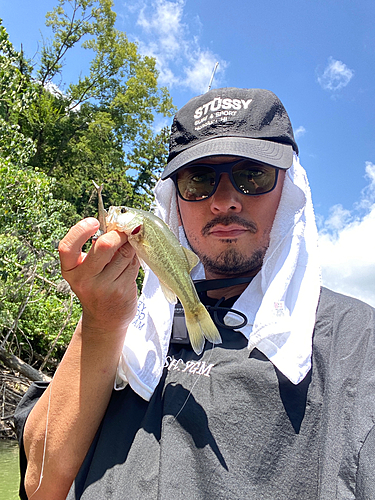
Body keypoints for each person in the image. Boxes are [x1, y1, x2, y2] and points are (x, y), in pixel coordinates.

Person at [15, 88, 375, 500]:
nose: (224, 202)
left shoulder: (359, 344)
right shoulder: (128, 329)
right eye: (199, 180)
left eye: (253, 175)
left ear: (289, 189)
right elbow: (40, 487)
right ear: (175, 199)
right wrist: (100, 323)